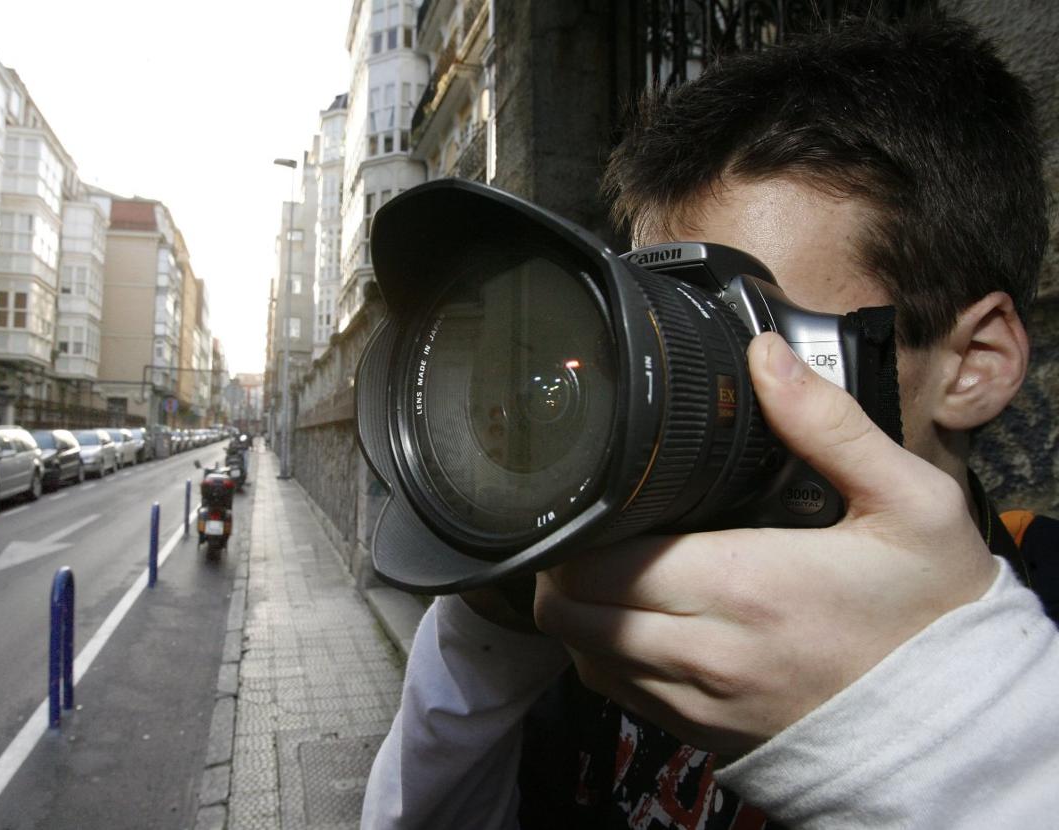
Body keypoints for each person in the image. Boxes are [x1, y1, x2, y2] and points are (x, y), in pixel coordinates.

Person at [361, 12, 1059, 829]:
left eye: (748, 331)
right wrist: (489, 641)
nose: (686, 393)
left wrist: (953, 723)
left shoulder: (1039, 643)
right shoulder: (603, 623)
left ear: (974, 363)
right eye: (665, 318)